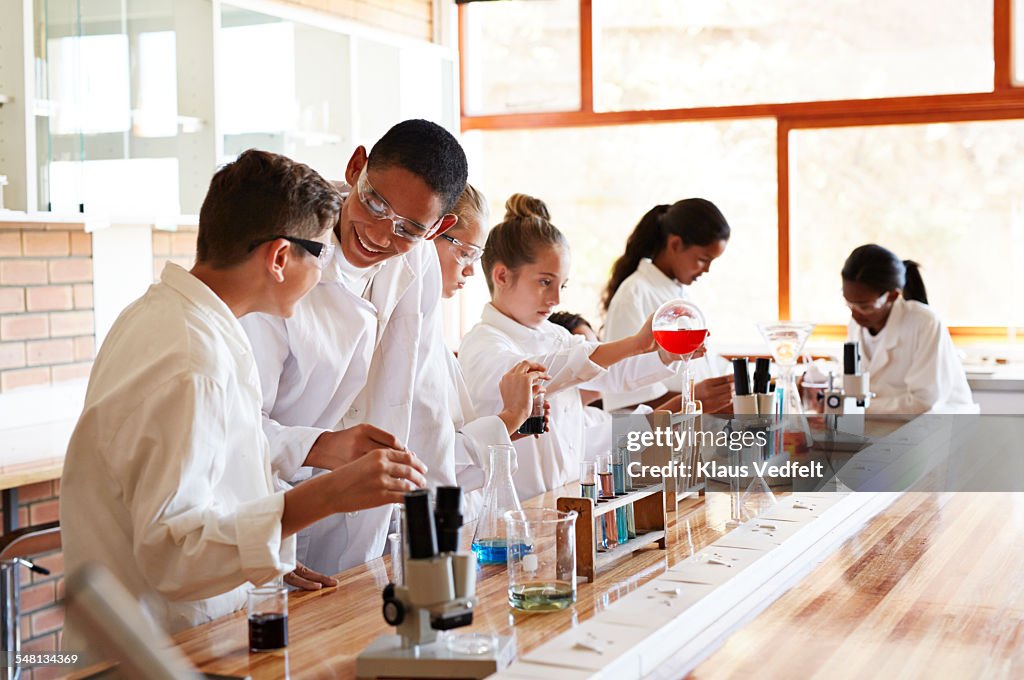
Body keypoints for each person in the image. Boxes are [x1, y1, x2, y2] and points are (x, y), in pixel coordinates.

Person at [60, 150, 427, 646]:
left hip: (181, 635)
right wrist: (329, 494)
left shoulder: (181, 322)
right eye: (319, 253)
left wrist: (264, 551)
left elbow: (212, 487)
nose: (323, 274)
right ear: (279, 257)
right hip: (161, 651)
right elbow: (173, 553)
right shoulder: (192, 360)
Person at [240, 120, 487, 576]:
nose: (378, 234)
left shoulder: (418, 265)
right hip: (272, 500)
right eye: (374, 203)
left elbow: (424, 402)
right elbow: (237, 425)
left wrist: (441, 539)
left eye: (410, 228)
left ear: (439, 229)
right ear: (356, 167)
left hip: (365, 524)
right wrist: (266, 532)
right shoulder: (287, 251)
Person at [458, 194, 681, 501]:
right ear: (502, 275)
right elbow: (543, 369)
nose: (556, 299)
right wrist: (633, 342)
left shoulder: (558, 336)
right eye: (544, 282)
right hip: (513, 508)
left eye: (561, 286)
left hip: (569, 497)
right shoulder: (483, 344)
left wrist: (664, 353)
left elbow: (613, 375)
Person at [433, 184, 548, 517]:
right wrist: (511, 416)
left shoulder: (432, 335)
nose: (470, 270)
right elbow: (433, 465)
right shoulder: (485, 344)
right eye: (465, 252)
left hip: (462, 515)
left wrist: (510, 428)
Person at [601, 199, 734, 414]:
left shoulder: (678, 292)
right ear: (675, 244)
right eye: (702, 259)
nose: (707, 270)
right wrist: (695, 399)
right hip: (650, 437)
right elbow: (623, 392)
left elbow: (701, 366)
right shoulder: (634, 295)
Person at [841, 244, 975, 414]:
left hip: (942, 427)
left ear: (892, 295)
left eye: (864, 306)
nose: (855, 314)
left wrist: (854, 408)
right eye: (849, 303)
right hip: (888, 428)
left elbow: (923, 402)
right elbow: (855, 390)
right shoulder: (856, 326)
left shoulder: (924, 322)